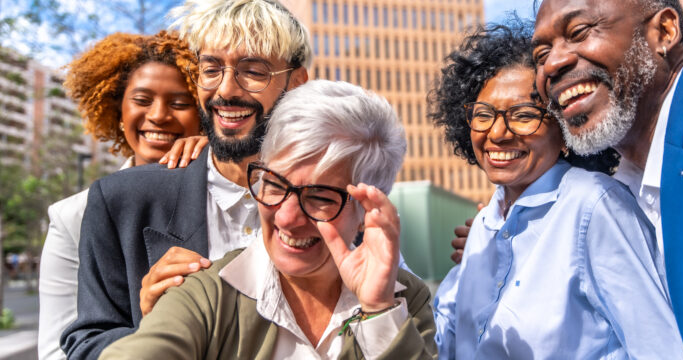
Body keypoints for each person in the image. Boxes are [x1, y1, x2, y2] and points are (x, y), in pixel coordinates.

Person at [99, 79, 436, 359]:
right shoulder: (208, 295)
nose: (287, 218)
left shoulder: (403, 300)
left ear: (367, 212)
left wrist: (378, 311)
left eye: (319, 198)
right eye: (274, 184)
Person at [60, 1, 312, 358]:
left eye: (253, 71)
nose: (226, 89)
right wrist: (154, 329)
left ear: (297, 82)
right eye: (211, 69)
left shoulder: (330, 201)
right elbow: (84, 346)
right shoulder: (120, 201)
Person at [429, 22, 683, 359]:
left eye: (523, 115)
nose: (498, 133)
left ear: (566, 128)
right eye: (484, 114)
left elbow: (659, 348)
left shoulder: (594, 206)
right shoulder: (482, 227)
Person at [532, 0, 683, 358]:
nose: (552, 64)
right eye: (540, 54)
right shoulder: (610, 196)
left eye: (579, 32)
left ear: (664, 32)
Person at [38, 31, 207, 360]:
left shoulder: (227, 194)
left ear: (202, 116)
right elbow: (57, 351)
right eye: (142, 100)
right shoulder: (73, 214)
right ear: (117, 111)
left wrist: (216, 161)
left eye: (180, 103)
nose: (158, 115)